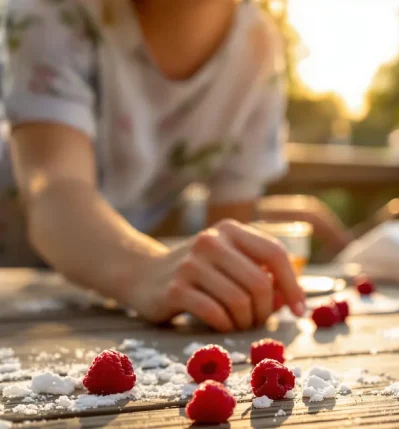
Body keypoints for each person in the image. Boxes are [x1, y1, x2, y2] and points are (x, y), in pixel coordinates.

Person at [0, 0, 305, 332]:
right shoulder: (53, 9)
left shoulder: (259, 42)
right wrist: (146, 267)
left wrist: (228, 285)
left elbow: (229, 234)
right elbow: (54, 187)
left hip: (100, 302)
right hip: (14, 288)